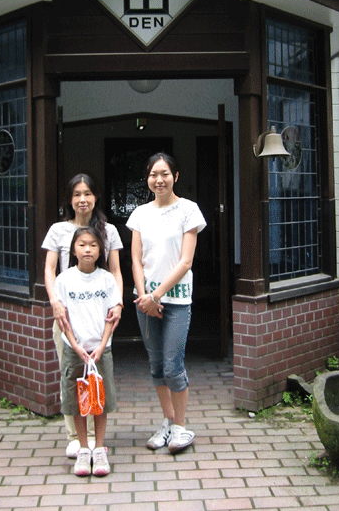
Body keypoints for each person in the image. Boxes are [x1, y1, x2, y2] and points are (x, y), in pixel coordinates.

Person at [126, 152, 206, 454]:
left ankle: (181, 427)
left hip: (177, 300)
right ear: (147, 178)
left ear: (175, 176)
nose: (158, 180)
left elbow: (186, 261)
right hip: (146, 301)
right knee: (157, 366)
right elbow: (136, 259)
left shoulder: (189, 210)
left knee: (173, 366)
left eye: (165, 174)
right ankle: (168, 422)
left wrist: (156, 296)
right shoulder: (140, 214)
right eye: (153, 174)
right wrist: (143, 296)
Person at [42, 174, 123, 458]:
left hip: (97, 315)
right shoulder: (58, 230)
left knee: (97, 375)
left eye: (87, 193)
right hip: (66, 315)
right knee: (71, 374)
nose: (82, 199)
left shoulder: (109, 231)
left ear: (96, 197)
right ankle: (75, 436)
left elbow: (115, 270)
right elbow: (49, 269)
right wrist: (55, 303)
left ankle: (93, 438)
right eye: (76, 194)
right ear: (70, 199)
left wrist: (118, 303)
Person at [55, 226, 122, 476]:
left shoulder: (107, 279)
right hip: (75, 350)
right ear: (73, 250)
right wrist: (75, 346)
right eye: (82, 244)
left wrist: (102, 345)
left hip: (100, 350)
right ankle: (83, 449)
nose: (87, 250)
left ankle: (99, 449)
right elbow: (63, 319)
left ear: (100, 250)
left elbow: (112, 315)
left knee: (100, 399)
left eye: (93, 245)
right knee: (77, 400)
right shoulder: (64, 280)